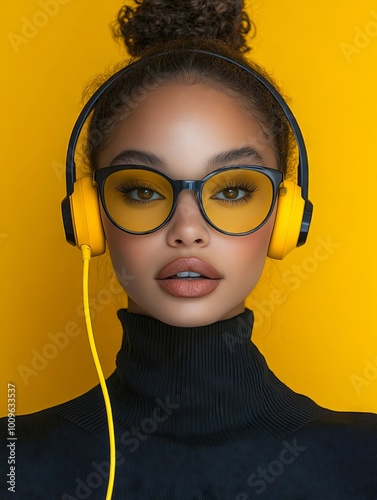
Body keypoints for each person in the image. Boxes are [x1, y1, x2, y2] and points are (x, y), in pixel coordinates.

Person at [1, 1, 377, 498]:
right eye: (142, 190)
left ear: (288, 219)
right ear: (88, 218)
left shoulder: (365, 462)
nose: (187, 229)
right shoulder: (12, 462)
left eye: (232, 190)